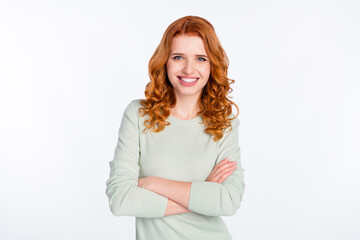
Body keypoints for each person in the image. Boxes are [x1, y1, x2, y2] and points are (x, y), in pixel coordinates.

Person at [105, 15, 245, 240]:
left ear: (212, 65)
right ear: (165, 61)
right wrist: (201, 195)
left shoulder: (224, 121)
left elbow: (228, 201)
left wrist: (152, 184)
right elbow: (120, 200)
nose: (189, 69)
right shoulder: (139, 115)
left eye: (201, 58)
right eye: (178, 57)